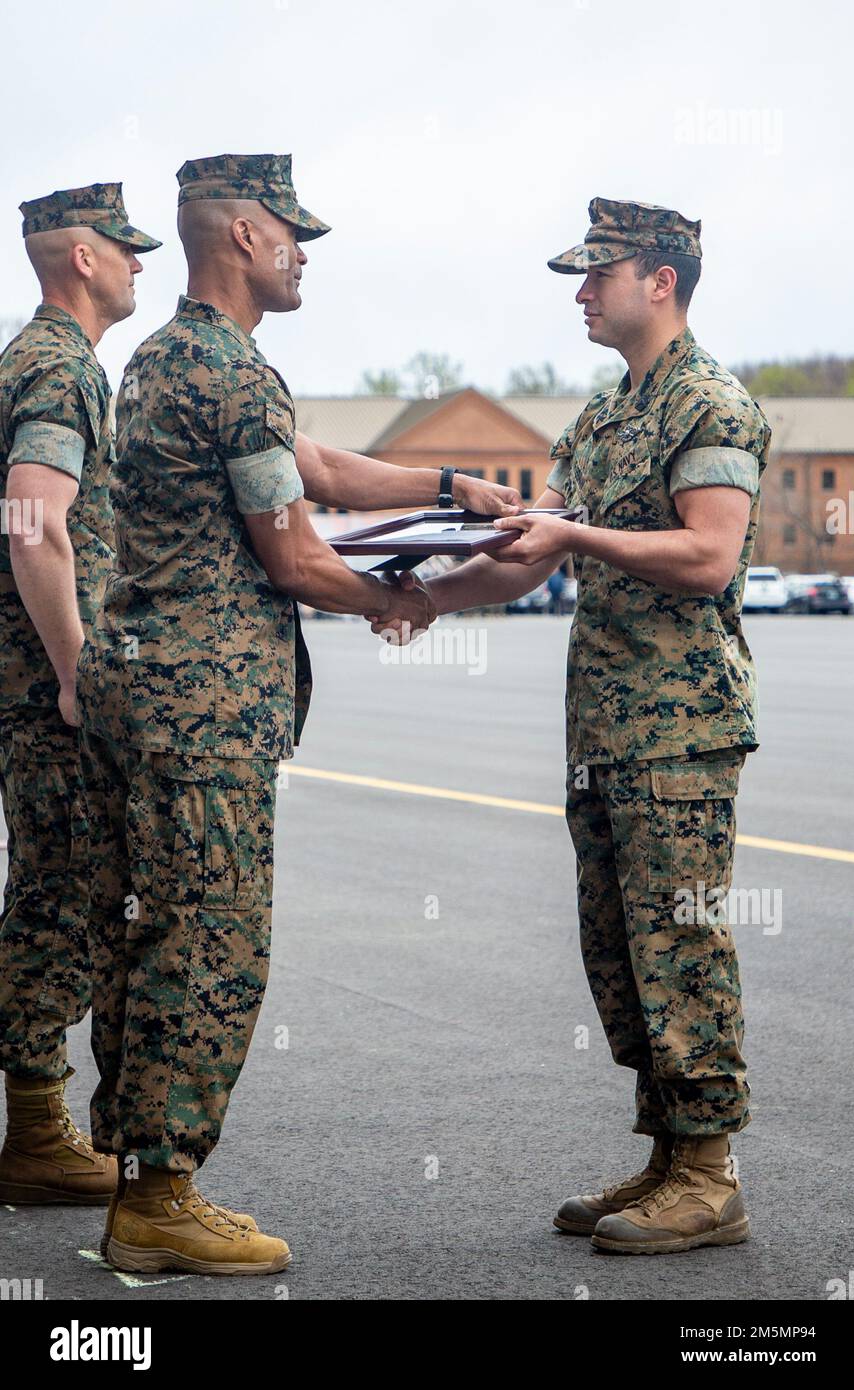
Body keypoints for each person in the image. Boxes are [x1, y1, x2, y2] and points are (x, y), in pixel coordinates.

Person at [77, 152, 518, 1276]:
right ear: (239, 237)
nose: (304, 251)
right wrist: (400, 598)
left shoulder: (165, 357)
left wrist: (442, 485)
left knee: (147, 934)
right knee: (210, 939)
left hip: (143, 698)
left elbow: (308, 467)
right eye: (291, 233)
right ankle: (161, 1197)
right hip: (202, 711)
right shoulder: (232, 372)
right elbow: (295, 556)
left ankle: (134, 1168)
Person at [398, 198, 771, 1255]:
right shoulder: (603, 418)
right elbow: (530, 551)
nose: (578, 291)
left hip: (680, 727)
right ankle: (667, 1152)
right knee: (618, 948)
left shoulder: (710, 405)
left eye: (594, 272)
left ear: (659, 279)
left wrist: (576, 531)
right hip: (604, 729)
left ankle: (709, 1170)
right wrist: (418, 595)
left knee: (677, 940)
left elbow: (707, 554)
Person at [0, 183, 160, 1206]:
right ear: (83, 260)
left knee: (59, 889)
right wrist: (73, 673)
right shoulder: (57, 366)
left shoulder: (51, 362)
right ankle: (38, 1129)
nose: (141, 264)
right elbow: (31, 519)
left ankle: (42, 1121)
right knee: (60, 896)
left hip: (34, 681)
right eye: (126, 248)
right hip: (46, 691)